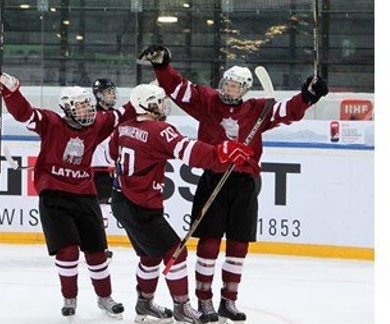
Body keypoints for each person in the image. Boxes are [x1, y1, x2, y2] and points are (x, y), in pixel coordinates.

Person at [138, 45, 329, 323]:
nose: (230, 89)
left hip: (244, 183)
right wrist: (162, 66)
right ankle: (204, 300)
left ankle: (229, 300)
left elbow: (288, 111)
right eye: (227, 83)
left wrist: (307, 97)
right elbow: (180, 89)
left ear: (245, 89)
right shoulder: (207, 101)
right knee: (209, 243)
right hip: (214, 178)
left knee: (238, 245)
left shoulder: (258, 109)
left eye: (236, 85)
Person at [0, 72, 136, 320]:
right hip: (55, 197)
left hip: (85, 196)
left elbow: (124, 113)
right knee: (67, 251)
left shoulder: (98, 124)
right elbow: (24, 113)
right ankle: (70, 298)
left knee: (97, 252)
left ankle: (105, 298)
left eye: (89, 105)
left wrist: (151, 89)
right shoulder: (51, 122)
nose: (88, 110)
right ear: (67, 108)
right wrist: (11, 91)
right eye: (81, 106)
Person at [109, 83, 254, 324]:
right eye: (158, 101)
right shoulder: (159, 130)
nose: (163, 106)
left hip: (122, 201)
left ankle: (143, 304)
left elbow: (113, 154)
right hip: (140, 205)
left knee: (150, 256)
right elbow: (190, 151)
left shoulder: (123, 128)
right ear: (147, 104)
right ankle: (182, 307)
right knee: (175, 251)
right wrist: (222, 152)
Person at [91, 78, 118, 261]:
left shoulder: (116, 116)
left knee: (103, 212)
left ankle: (98, 246)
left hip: (109, 172)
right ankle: (97, 247)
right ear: (99, 94)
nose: (113, 95)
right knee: (98, 213)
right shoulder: (91, 116)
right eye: (109, 91)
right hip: (95, 172)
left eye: (113, 91)